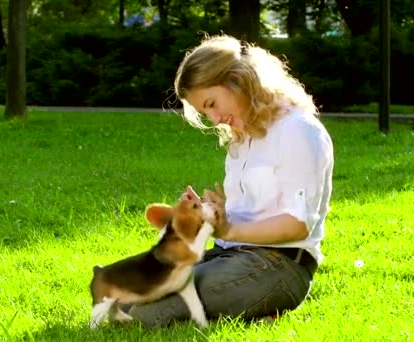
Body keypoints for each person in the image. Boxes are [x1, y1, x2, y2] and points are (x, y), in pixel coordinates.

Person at [128, 34, 334, 327]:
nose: (214, 120)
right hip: (230, 256)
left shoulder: (297, 131)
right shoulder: (242, 139)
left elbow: (297, 224)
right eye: (204, 111)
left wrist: (229, 228)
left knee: (146, 314)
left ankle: (250, 314)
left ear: (238, 80)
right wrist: (210, 216)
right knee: (132, 292)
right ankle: (248, 313)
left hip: (279, 267)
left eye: (211, 104)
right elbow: (252, 214)